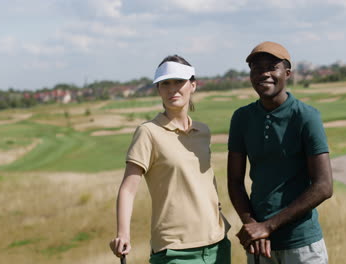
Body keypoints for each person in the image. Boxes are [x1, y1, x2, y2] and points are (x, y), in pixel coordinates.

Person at [109, 55, 231, 264]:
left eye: (179, 82)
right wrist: (123, 233)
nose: (172, 89)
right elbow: (128, 189)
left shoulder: (203, 131)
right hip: (174, 250)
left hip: (217, 245)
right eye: (165, 83)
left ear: (193, 85)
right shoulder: (148, 132)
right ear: (158, 89)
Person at [227, 41, 333, 264]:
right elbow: (235, 181)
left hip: (302, 245)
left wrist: (266, 226)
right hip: (259, 246)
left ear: (287, 73)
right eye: (256, 68)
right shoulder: (242, 118)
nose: (263, 74)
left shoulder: (306, 117)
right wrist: (252, 227)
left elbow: (324, 186)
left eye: (271, 67)